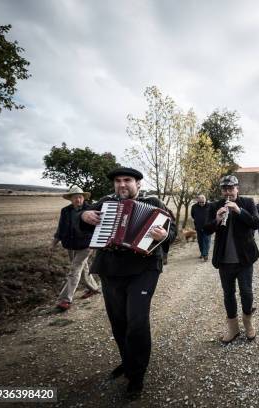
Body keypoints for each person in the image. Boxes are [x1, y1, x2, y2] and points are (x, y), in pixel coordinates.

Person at [80, 167, 177, 398]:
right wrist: (84, 216)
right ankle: (127, 361)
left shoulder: (153, 202)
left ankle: (137, 375)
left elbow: (172, 231)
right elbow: (81, 220)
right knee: (118, 322)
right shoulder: (105, 202)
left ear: (138, 184)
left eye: (127, 180)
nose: (122, 184)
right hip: (111, 270)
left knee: (137, 321)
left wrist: (164, 236)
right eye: (117, 181)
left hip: (144, 269)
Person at [204, 175, 259, 344]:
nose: (228, 192)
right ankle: (233, 328)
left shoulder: (248, 203)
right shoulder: (214, 205)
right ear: (222, 190)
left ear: (237, 188)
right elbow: (206, 230)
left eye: (231, 188)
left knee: (247, 292)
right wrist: (217, 220)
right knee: (228, 294)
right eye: (225, 189)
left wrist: (239, 211)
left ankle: (248, 323)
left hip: (244, 259)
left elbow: (256, 223)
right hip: (224, 260)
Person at [52, 185, 99, 311]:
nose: (78, 200)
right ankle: (93, 288)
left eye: (80, 197)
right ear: (70, 199)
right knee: (83, 268)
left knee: (74, 269)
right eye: (75, 198)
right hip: (71, 245)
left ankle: (65, 300)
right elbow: (61, 228)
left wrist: (96, 243)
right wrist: (54, 243)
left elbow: (98, 227)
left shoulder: (90, 209)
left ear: (83, 198)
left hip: (86, 245)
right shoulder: (65, 211)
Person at [191, 194, 211, 261]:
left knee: (206, 241)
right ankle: (202, 253)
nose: (202, 203)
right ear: (198, 201)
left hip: (208, 227)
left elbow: (213, 215)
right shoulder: (194, 207)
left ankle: (205, 254)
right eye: (200, 202)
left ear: (205, 200)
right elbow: (193, 215)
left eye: (203, 202)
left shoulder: (210, 206)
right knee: (200, 241)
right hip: (198, 227)